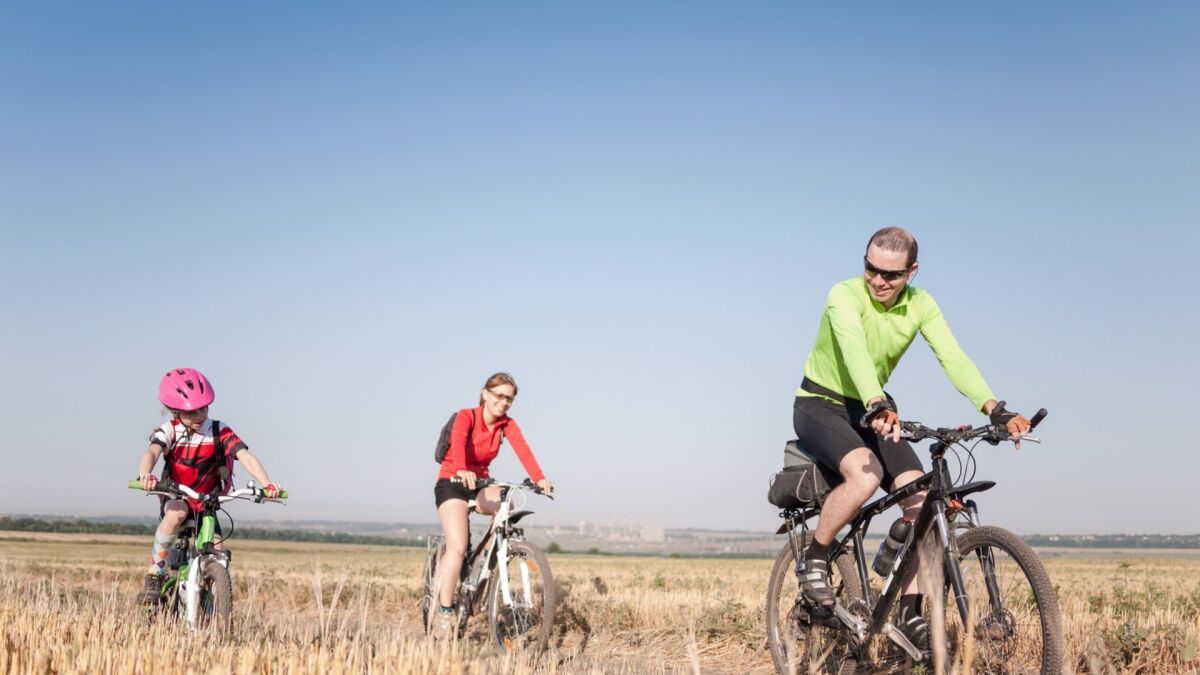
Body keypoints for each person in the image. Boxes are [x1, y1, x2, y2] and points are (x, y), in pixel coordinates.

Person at [793, 227, 1031, 653]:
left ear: (912, 272)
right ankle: (815, 556)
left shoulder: (922, 305)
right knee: (865, 477)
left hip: (874, 407)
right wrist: (876, 401)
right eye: (871, 269)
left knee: (922, 502)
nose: (878, 281)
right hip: (821, 403)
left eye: (891, 274)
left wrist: (993, 408)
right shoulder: (843, 294)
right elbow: (854, 352)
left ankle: (909, 612)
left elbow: (953, 357)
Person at [135, 367, 282, 604]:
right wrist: (145, 475)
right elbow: (152, 452)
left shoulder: (218, 430)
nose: (200, 415)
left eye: (204, 408)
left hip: (208, 501)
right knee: (176, 513)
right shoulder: (170, 430)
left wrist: (267, 484)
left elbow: (245, 456)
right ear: (175, 411)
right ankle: (156, 572)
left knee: (219, 551)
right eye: (191, 411)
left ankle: (214, 607)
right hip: (177, 494)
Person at [431, 372, 553, 639]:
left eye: (509, 399)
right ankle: (444, 612)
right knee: (457, 547)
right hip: (452, 481)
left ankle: (484, 563)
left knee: (506, 504)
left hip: (480, 482)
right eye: (499, 395)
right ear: (485, 394)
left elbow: (523, 449)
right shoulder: (466, 416)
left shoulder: (507, 424)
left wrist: (539, 478)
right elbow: (459, 442)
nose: (504, 402)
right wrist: (461, 468)